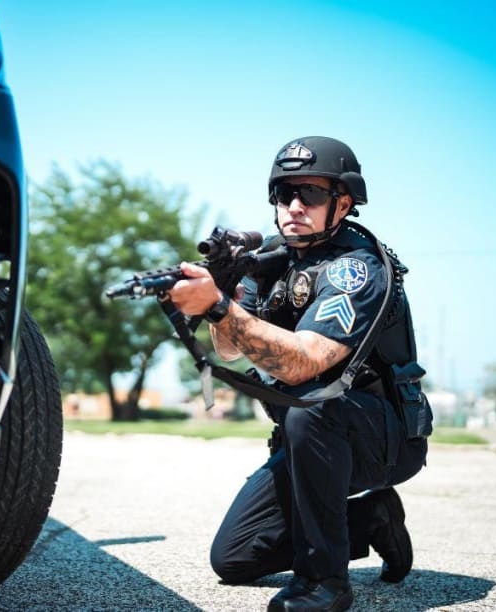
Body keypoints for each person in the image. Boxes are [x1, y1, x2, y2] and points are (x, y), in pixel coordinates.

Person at [168, 136, 431, 612]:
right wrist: (223, 296)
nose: (293, 206)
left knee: (313, 404)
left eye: (309, 194)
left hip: (379, 438)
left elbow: (304, 361)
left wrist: (218, 304)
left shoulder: (356, 269)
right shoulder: (273, 260)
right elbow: (228, 350)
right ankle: (370, 518)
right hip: (310, 437)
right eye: (283, 194)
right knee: (234, 558)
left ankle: (323, 585)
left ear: (343, 203)